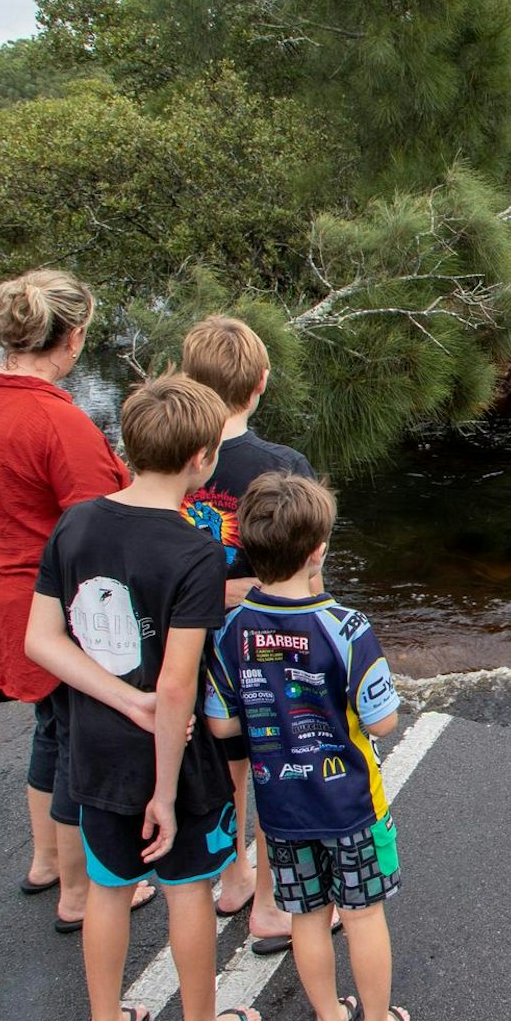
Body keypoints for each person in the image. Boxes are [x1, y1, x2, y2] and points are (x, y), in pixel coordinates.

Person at [25, 374, 265, 1021]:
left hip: (93, 749)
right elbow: (173, 686)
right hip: (172, 758)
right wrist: (162, 787)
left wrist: (113, 700)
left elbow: (42, 640)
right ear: (201, 458)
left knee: (108, 887)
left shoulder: (76, 522)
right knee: (187, 887)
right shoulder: (193, 552)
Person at [0, 270, 156, 931]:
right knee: (78, 744)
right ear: (73, 337)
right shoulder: (56, 423)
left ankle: (44, 861)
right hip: (49, 609)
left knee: (51, 730)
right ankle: (78, 892)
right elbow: (103, 527)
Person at [204, 473, 411, 1021]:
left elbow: (221, 726)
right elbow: (384, 723)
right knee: (365, 914)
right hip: (350, 804)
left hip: (282, 809)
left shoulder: (233, 631)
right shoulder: (347, 628)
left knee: (307, 917)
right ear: (319, 549)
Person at [176, 315, 315, 944]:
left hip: (193, 645)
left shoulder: (170, 460)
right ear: (261, 383)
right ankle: (267, 901)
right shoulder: (281, 464)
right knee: (270, 762)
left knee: (225, 759)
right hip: (262, 646)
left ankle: (231, 879)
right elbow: (308, 569)